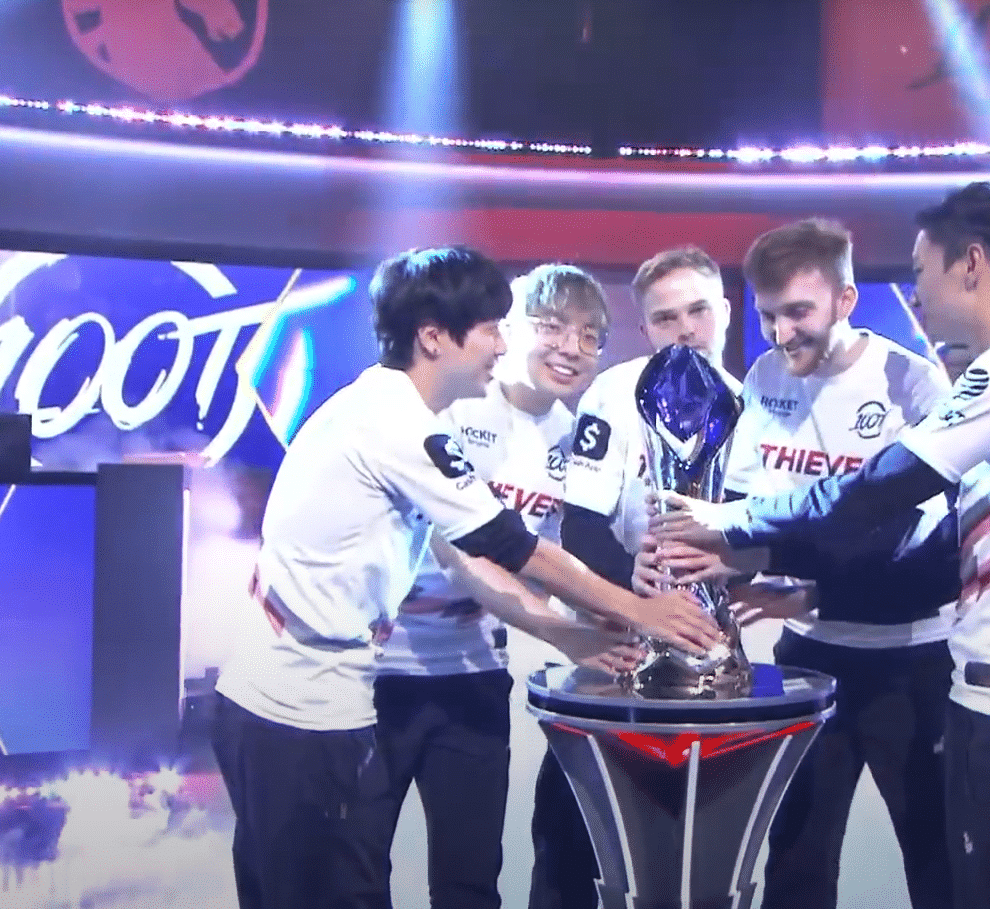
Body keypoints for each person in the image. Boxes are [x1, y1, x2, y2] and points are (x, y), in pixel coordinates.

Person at [650, 184, 990, 909]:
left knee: (978, 879)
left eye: (922, 271)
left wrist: (732, 523)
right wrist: (785, 576)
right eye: (767, 315)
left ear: (971, 264)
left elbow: (877, 497)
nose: (917, 292)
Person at [211, 247, 719, 909]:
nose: (502, 345)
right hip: (304, 696)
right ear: (433, 336)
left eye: (590, 334)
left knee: (438, 884)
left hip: (362, 686)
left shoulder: (416, 409)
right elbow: (501, 544)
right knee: (332, 888)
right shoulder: (406, 423)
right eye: (495, 328)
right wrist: (632, 612)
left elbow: (559, 546)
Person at [642, 218, 955, 909]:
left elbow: (912, 546)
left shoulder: (914, 385)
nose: (781, 333)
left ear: (846, 300)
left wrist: (795, 579)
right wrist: (701, 565)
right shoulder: (762, 377)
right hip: (806, 659)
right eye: (767, 315)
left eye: (798, 312)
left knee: (935, 856)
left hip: (910, 662)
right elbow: (746, 510)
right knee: (795, 860)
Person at [371, 264, 618, 909]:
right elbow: (458, 550)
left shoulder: (577, 441)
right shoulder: (453, 400)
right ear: (509, 329)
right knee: (356, 873)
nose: (570, 348)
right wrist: (566, 632)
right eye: (552, 327)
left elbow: (563, 561)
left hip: (475, 674)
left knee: (470, 882)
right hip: (379, 673)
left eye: (589, 335)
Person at [529, 245, 737, 909]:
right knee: (571, 846)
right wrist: (637, 591)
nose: (685, 330)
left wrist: (736, 565)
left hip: (708, 665)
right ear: (645, 327)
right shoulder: (615, 394)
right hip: (617, 655)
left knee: (685, 856)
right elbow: (582, 529)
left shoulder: (749, 402)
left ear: (724, 311)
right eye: (666, 318)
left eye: (698, 311)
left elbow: (761, 533)